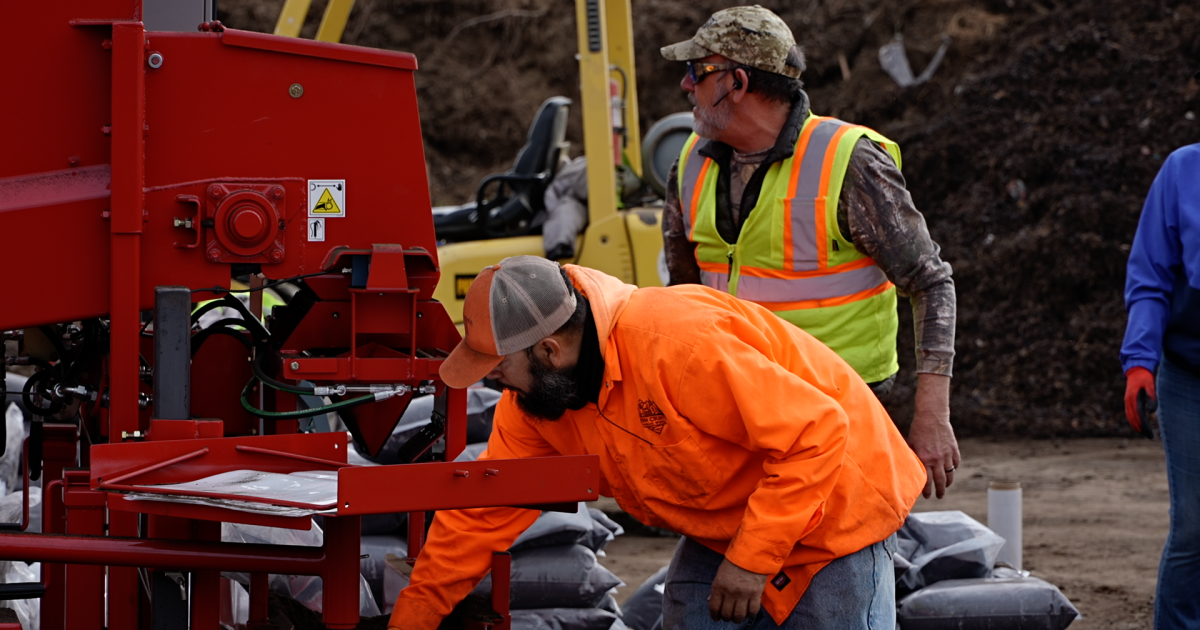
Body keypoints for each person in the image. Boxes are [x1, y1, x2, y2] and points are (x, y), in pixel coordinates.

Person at [388, 255, 926, 630]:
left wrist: (752, 562)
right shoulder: (535, 405)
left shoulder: (676, 343)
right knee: (688, 611)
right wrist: (411, 622)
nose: (492, 380)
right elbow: (481, 516)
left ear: (550, 351)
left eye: (498, 365)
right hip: (730, 524)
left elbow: (816, 433)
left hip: (837, 508)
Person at [658, 6, 959, 498]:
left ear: (736, 81)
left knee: (842, 564)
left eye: (697, 71)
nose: (686, 86)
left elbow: (930, 282)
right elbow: (684, 297)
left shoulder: (849, 161)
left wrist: (931, 416)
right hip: (733, 412)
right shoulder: (690, 165)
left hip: (842, 411)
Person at [1120, 142, 1200, 630]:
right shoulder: (1183, 171)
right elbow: (1151, 275)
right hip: (1190, 372)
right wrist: (1139, 362)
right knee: (1193, 526)